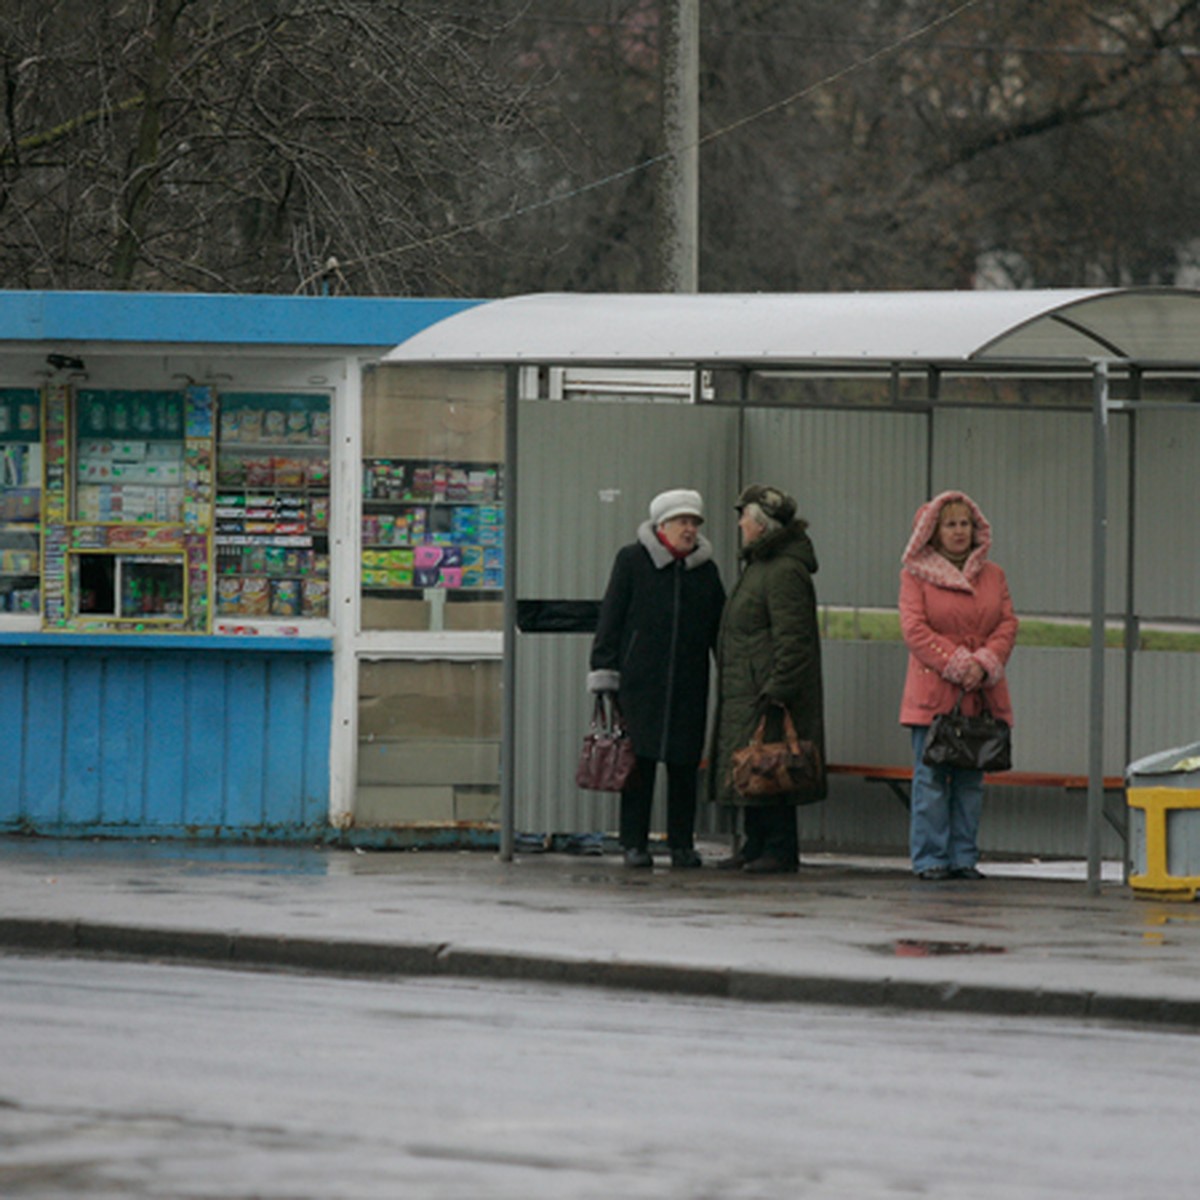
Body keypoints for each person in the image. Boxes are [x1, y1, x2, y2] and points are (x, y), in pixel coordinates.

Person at [588, 488, 725, 868]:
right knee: (638, 766)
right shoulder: (632, 560)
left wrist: (728, 671)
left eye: (694, 522)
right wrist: (605, 672)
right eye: (683, 521)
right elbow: (611, 619)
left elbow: (719, 629)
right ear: (662, 525)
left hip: (688, 683)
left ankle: (681, 843)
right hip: (639, 682)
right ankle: (634, 843)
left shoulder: (706, 571)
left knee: (684, 767)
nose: (690, 529)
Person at [898, 490, 1018, 881]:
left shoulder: (994, 575)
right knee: (931, 779)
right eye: (950, 524)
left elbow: (1007, 624)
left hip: (980, 694)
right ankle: (930, 858)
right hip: (933, 695)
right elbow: (914, 629)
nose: (959, 531)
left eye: (964, 523)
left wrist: (985, 662)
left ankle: (963, 857)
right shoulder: (914, 576)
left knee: (970, 780)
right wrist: (956, 661)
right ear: (932, 532)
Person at [707, 484, 827, 874]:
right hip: (750, 686)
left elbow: (795, 638)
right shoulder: (762, 566)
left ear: (761, 524)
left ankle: (778, 848)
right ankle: (755, 844)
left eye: (744, 516)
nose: (740, 523)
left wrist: (779, 686)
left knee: (774, 767)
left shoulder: (783, 571)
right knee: (754, 767)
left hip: (770, 689)